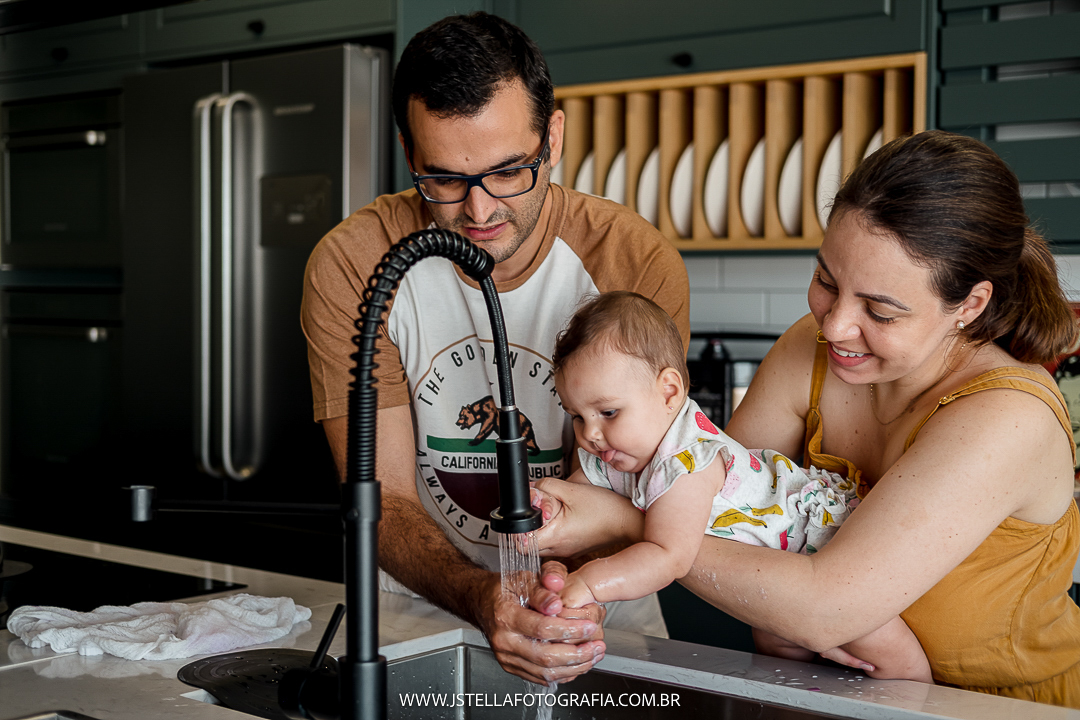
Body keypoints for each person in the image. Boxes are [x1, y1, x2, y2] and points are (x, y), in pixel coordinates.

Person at [531, 130, 1080, 705]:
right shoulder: (811, 350)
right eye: (826, 280)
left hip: (995, 709)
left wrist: (624, 521)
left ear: (970, 305)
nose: (835, 325)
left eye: (879, 310)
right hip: (835, 693)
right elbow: (716, 507)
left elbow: (822, 608)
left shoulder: (1008, 418)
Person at [300, 12, 690, 685]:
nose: (479, 212)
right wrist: (484, 598)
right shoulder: (356, 263)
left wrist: (547, 605)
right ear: (408, 154)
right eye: (444, 180)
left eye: (510, 172)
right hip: (416, 618)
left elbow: (631, 483)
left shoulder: (632, 260)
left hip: (594, 621)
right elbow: (381, 494)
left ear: (555, 138)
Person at [544, 290, 931, 682]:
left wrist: (587, 585)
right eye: (577, 416)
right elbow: (581, 499)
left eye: (607, 412)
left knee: (884, 653)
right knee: (781, 653)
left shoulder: (689, 461)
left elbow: (667, 556)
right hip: (774, 573)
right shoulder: (616, 446)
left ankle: (923, 698)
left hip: (825, 546)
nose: (590, 433)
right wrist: (543, 506)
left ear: (669, 392)